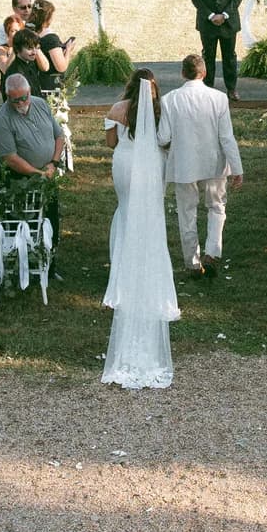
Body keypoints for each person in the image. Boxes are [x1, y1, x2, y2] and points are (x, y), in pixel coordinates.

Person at [101, 70, 178, 390]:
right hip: (151, 166)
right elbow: (166, 142)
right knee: (149, 215)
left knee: (126, 212)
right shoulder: (161, 110)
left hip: (125, 164)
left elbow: (110, 142)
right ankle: (146, 264)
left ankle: (121, 273)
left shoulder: (118, 109)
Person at [161, 54, 244, 274]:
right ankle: (212, 253)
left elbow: (163, 137)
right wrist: (237, 168)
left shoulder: (170, 99)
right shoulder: (218, 98)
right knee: (216, 206)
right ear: (204, 73)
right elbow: (226, 137)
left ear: (182, 74)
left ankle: (193, 262)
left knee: (186, 212)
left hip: (183, 163)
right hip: (213, 161)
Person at [0, 72, 65, 236]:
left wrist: (53, 164)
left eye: (24, 98)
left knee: (50, 217)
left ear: (30, 91)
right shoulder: (2, 120)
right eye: (15, 100)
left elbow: (58, 136)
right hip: (23, 180)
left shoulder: (41, 104)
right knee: (28, 223)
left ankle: (51, 254)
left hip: (49, 172)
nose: (21, 103)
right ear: (7, 96)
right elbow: (10, 159)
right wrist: (38, 173)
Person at [190, 0, 244, 100]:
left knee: (229, 57)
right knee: (208, 57)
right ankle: (208, 89)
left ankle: (231, 89)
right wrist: (212, 15)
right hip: (208, 23)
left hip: (228, 23)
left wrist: (225, 14)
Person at [29, 0, 73, 89]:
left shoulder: (29, 33)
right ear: (48, 17)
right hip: (50, 86)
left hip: (34, 82)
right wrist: (68, 50)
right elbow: (61, 67)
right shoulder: (51, 39)